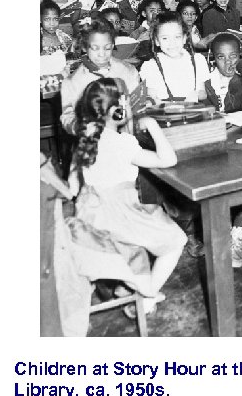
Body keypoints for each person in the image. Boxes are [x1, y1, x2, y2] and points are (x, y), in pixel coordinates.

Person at [67, 77, 186, 314]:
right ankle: (146, 294)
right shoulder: (124, 143)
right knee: (176, 241)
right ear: (118, 109)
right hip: (119, 215)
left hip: (89, 217)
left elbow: (71, 186)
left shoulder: (85, 139)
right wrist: (153, 126)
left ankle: (127, 286)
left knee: (147, 227)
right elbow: (168, 160)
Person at [60, 16, 140, 134]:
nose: (102, 54)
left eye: (107, 48)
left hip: (127, 138)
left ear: (113, 45)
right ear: (84, 48)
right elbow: (67, 117)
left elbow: (137, 103)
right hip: (94, 142)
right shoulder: (72, 82)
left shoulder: (128, 71)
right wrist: (81, 127)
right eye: (95, 48)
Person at [140, 11, 210, 103]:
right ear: (157, 41)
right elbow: (151, 96)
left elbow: (202, 93)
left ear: (184, 38)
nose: (171, 43)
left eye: (177, 37)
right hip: (163, 113)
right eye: (165, 38)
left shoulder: (198, 60)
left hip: (192, 112)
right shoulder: (150, 66)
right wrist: (152, 101)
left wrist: (196, 95)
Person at [206, 33, 242, 113]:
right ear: (214, 59)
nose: (228, 62)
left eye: (233, 56)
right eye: (221, 57)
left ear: (240, 55)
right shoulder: (208, 81)